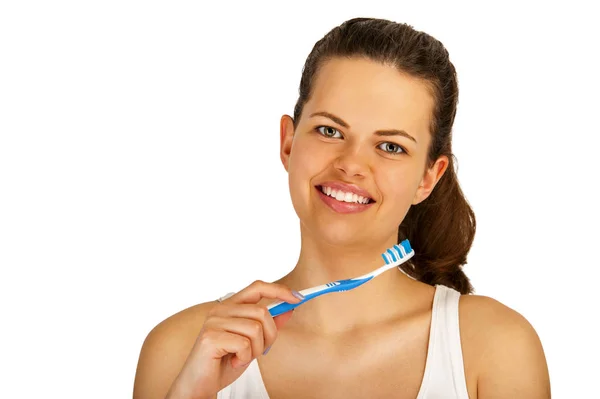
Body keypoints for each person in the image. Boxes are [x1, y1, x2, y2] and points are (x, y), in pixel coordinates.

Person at [133, 17, 550, 398]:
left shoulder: (495, 347)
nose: (351, 164)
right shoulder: (183, 349)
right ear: (289, 143)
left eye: (391, 146)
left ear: (428, 177)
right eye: (330, 130)